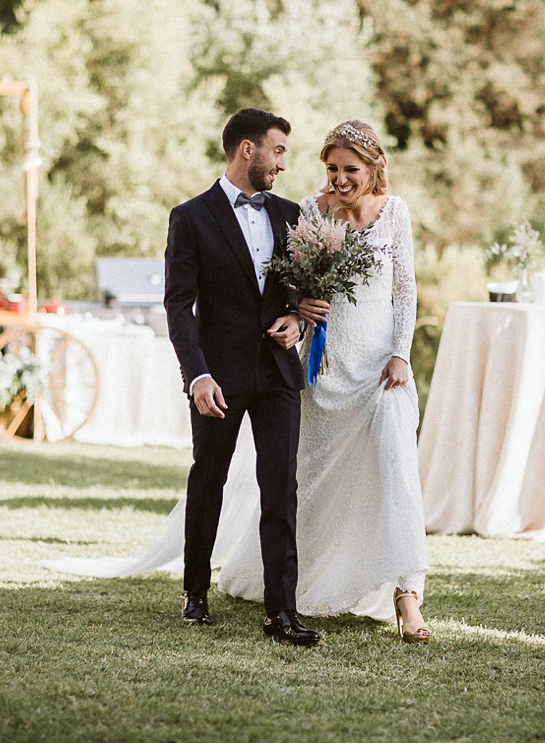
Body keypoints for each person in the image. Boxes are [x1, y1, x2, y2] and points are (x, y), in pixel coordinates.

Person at [215, 119, 431, 642]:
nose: (339, 179)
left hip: (380, 370)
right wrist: (300, 306)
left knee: (395, 472)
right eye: (332, 169)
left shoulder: (394, 213)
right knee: (310, 481)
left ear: (373, 168)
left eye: (350, 170)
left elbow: (405, 290)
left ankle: (408, 598)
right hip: (323, 368)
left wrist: (401, 354)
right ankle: (296, 581)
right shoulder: (308, 213)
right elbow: (287, 283)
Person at [161, 107, 319, 647]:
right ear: (247, 150)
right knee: (209, 479)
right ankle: (195, 593)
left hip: (277, 371)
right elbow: (179, 307)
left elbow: (306, 293)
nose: (282, 164)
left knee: (281, 486)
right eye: (277, 151)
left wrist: (297, 319)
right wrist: (196, 375)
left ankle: (283, 610)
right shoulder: (191, 216)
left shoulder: (293, 214)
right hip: (218, 376)